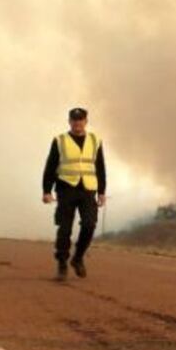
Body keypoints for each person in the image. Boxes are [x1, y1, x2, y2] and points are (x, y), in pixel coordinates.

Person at [41, 107, 106, 281]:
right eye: (74, 120)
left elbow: (100, 167)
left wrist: (102, 191)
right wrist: (46, 190)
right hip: (66, 188)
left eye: (81, 119)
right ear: (69, 121)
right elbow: (50, 166)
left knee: (90, 224)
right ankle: (62, 263)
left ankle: (77, 258)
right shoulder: (60, 140)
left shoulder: (95, 140)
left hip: (87, 189)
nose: (77, 123)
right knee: (65, 228)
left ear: (86, 121)